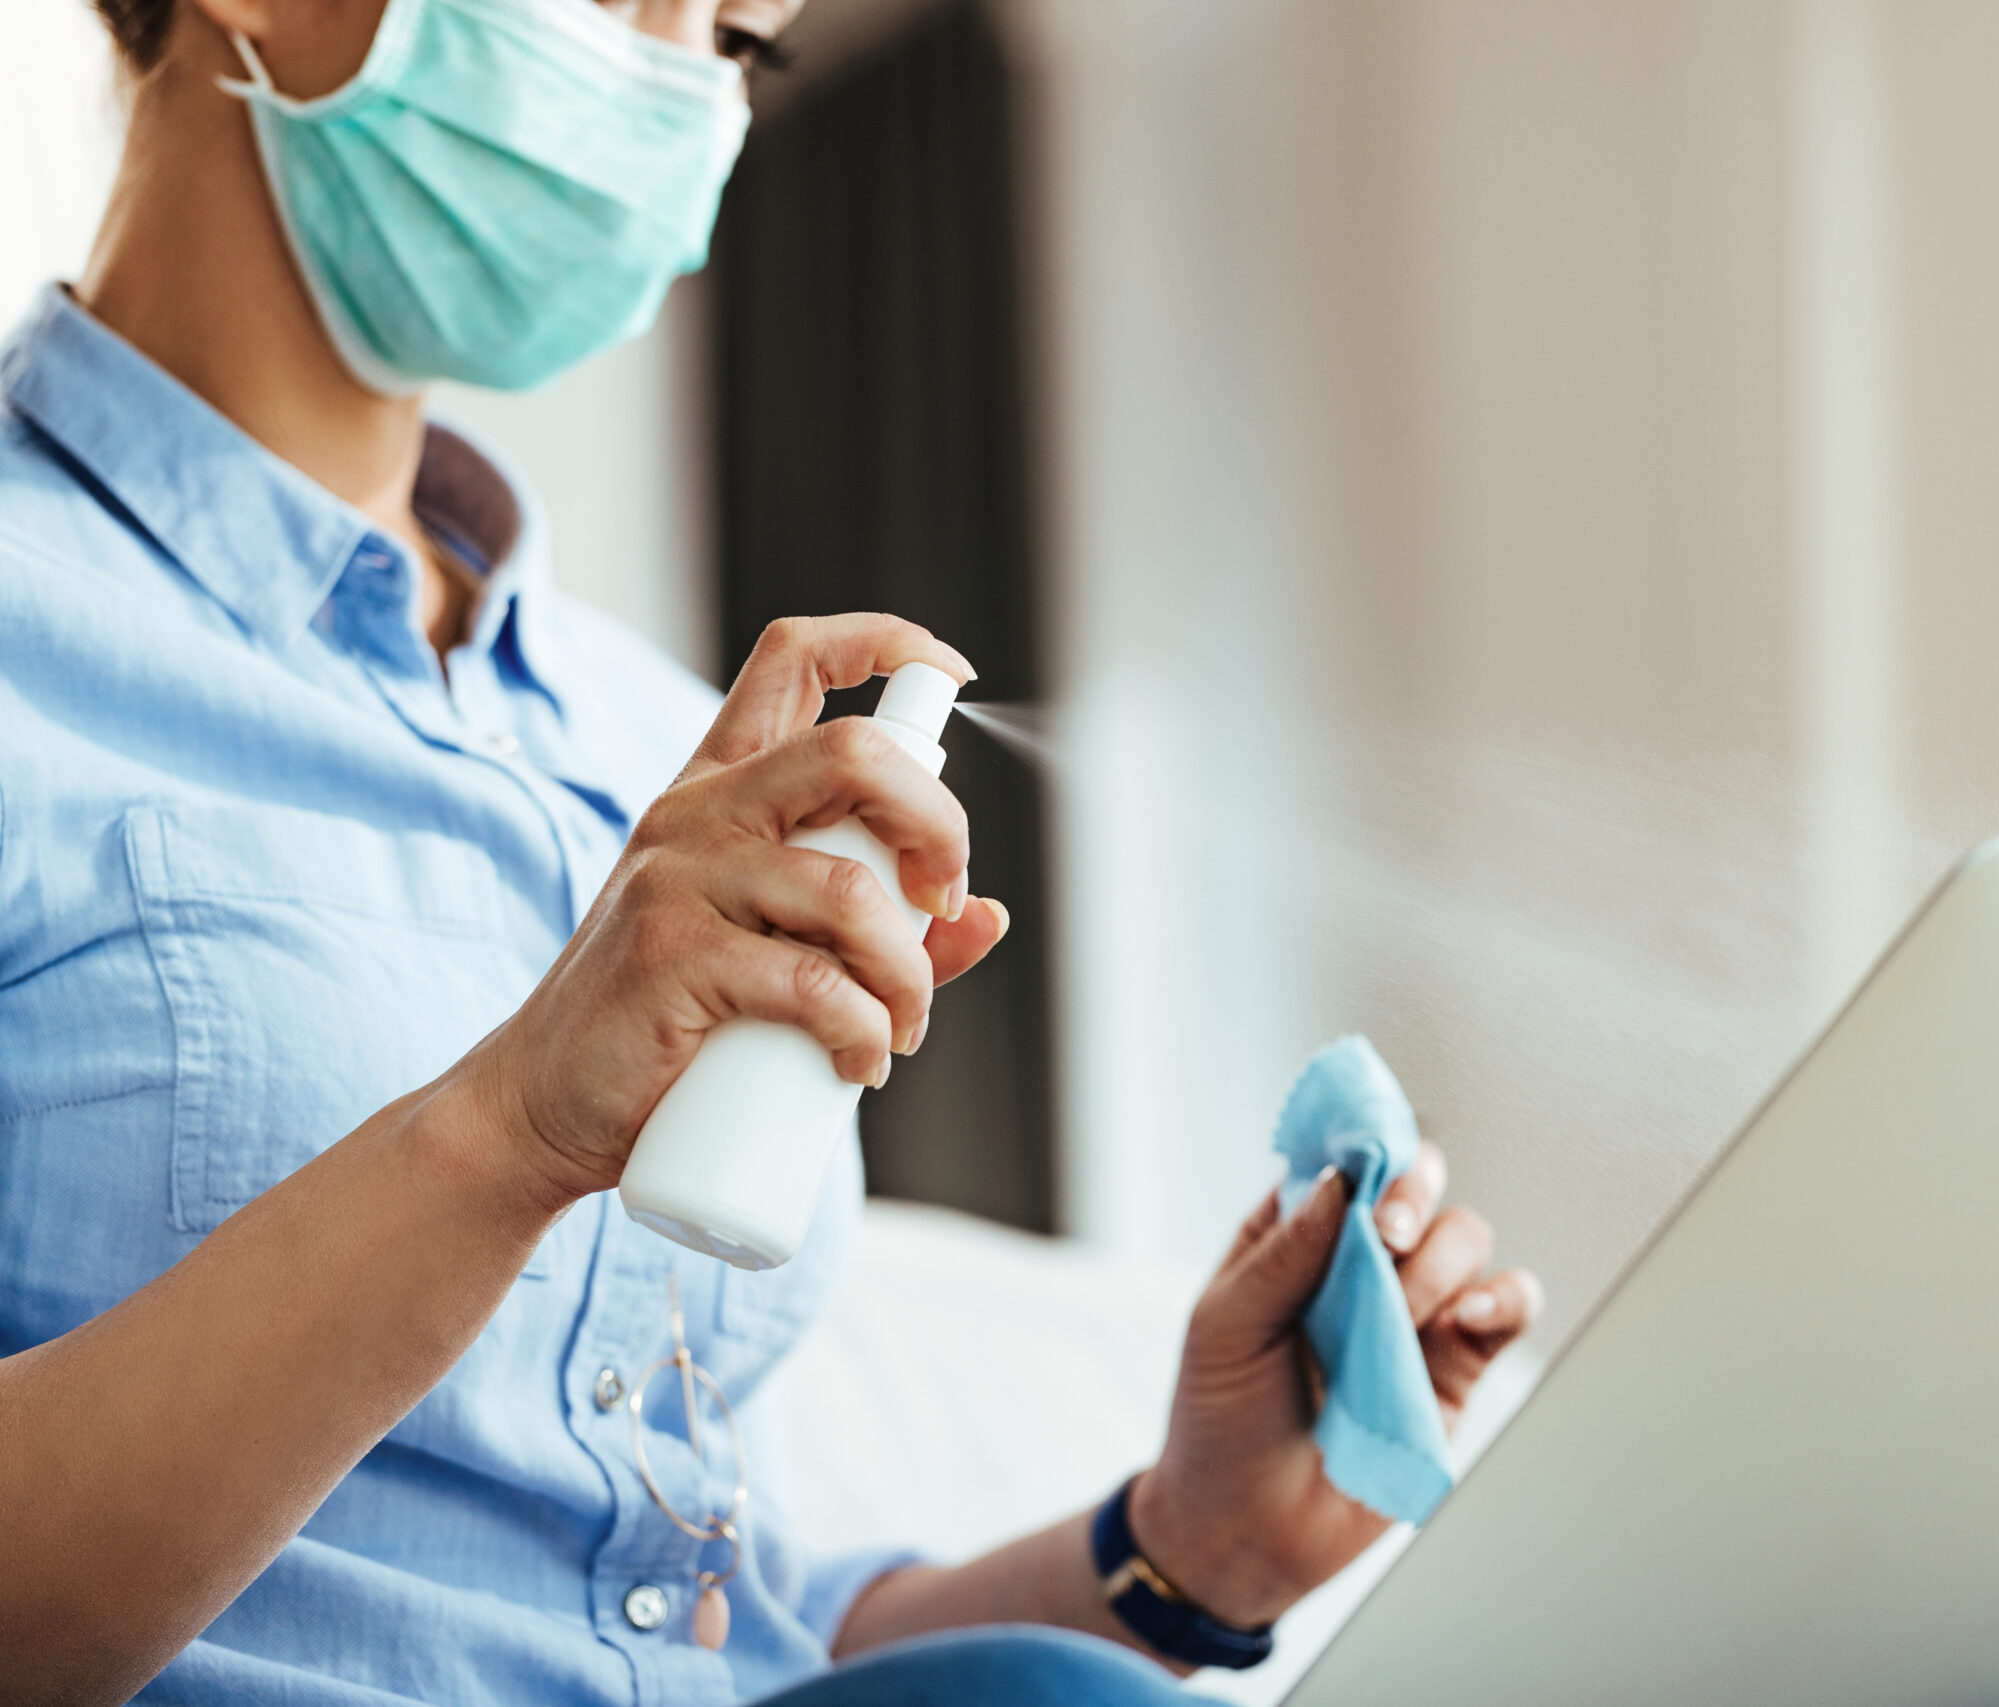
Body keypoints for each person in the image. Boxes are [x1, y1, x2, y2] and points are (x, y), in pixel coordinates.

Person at [0, 0, 1543, 1701]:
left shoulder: (649, 734)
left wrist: (1187, 1549)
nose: (676, 72)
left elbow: (698, 1613)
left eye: (739, 40)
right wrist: (506, 1130)